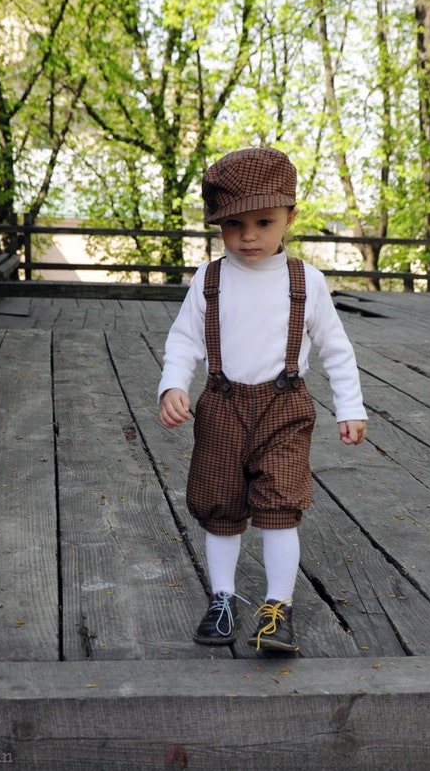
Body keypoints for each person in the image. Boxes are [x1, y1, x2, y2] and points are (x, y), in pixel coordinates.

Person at [158, 147, 367, 652]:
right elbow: (184, 340)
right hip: (221, 407)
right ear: (218, 225)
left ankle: (278, 606)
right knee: (220, 504)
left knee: (280, 506)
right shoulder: (209, 280)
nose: (248, 235)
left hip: (284, 410)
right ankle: (224, 597)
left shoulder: (306, 282)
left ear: (289, 218)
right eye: (233, 224)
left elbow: (336, 348)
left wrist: (351, 405)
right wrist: (173, 384)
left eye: (264, 221)